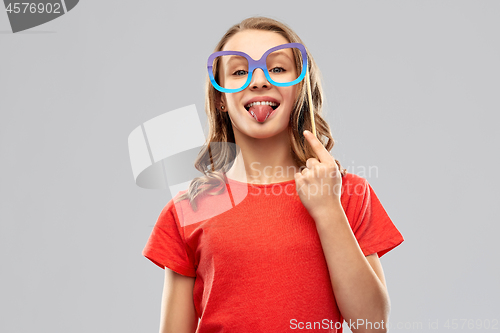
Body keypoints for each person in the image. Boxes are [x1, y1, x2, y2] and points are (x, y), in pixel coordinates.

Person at [142, 16, 404, 333]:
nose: (259, 80)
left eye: (277, 68)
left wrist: (327, 209)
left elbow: (372, 325)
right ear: (220, 100)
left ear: (298, 88)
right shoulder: (190, 208)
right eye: (239, 72)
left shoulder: (346, 193)